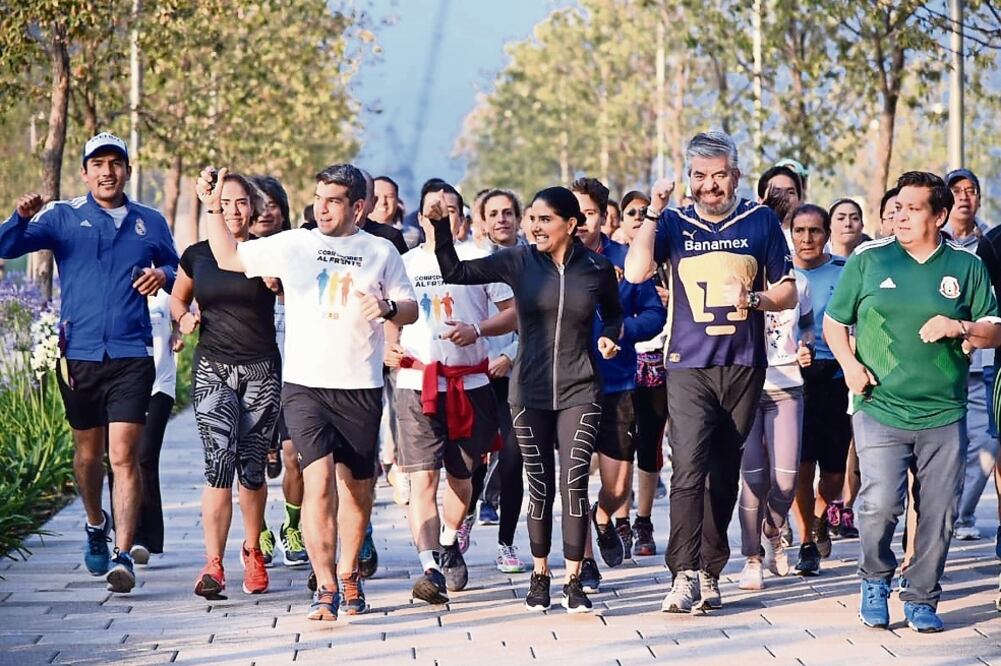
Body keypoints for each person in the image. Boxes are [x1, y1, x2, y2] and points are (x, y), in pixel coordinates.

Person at [197, 162, 417, 621]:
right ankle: (326, 586)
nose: (321, 208)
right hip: (305, 385)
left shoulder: (380, 251)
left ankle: (351, 571)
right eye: (317, 198)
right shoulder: (297, 244)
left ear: (358, 206)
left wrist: (388, 306)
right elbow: (228, 258)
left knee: (357, 491)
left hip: (358, 384)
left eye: (333, 200)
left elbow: (410, 308)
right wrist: (213, 205)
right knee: (316, 484)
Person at [624, 129, 797, 613]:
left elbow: (788, 291)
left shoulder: (760, 220)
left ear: (735, 176)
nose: (710, 185)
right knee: (688, 468)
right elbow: (636, 271)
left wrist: (758, 299)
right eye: (699, 176)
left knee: (724, 472)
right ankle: (682, 573)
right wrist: (655, 208)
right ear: (689, 179)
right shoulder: (674, 221)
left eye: (719, 175)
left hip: (743, 363)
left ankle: (709, 570)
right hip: (687, 364)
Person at [0, 132, 178, 593]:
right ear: (85, 172)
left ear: (127, 170)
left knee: (123, 456)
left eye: (115, 163)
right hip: (78, 356)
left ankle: (123, 553)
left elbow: (179, 268)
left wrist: (164, 273)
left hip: (131, 354)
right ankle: (95, 523)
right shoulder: (62, 216)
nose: (107, 171)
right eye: (97, 163)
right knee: (87, 455)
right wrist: (19, 218)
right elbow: (6, 246)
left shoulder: (149, 221)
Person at [824, 170, 1001, 633]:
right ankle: (875, 580)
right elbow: (833, 322)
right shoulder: (869, 260)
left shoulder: (967, 267)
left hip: (944, 410)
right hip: (880, 404)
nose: (900, 215)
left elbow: (995, 329)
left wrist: (959, 327)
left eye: (913, 208)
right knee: (880, 503)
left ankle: (922, 596)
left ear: (939, 215)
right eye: (897, 207)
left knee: (940, 512)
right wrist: (848, 364)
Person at [433, 186, 623, 614]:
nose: (534, 226)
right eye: (531, 218)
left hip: (580, 387)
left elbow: (612, 314)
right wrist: (441, 227)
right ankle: (540, 573)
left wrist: (610, 336)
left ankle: (575, 580)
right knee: (540, 487)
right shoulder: (518, 261)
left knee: (573, 486)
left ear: (571, 225)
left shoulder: (597, 268)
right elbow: (454, 273)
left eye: (544, 219)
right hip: (529, 390)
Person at [385, 181, 516, 604]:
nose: (441, 216)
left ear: (461, 217)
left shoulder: (481, 262)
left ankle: (447, 541)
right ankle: (429, 568)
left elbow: (513, 315)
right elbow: (390, 312)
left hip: (471, 384)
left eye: (450, 209)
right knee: (422, 478)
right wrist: (390, 343)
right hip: (415, 384)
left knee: (462, 479)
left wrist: (476, 331)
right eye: (432, 210)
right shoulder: (401, 263)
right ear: (421, 217)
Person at [171, 172, 282, 599]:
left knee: (252, 468)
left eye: (240, 202)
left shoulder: (266, 253)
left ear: (253, 209)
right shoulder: (197, 256)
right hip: (214, 369)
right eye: (225, 202)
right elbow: (178, 298)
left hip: (260, 372)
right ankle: (213, 564)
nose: (233, 210)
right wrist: (184, 318)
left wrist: (279, 284)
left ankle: (253, 550)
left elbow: (292, 294)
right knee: (218, 462)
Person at [570, 177, 666, 593]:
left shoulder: (628, 261)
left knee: (617, 486)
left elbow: (655, 315)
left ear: (603, 216)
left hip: (617, 382)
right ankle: (583, 562)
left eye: (589, 213)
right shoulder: (551, 262)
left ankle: (605, 515)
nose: (580, 222)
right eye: (573, 214)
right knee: (572, 478)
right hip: (567, 385)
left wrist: (620, 330)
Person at [737, 207, 814, 591]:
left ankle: (774, 528)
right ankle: (752, 558)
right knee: (752, 478)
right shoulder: (737, 280)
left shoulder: (798, 283)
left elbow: (809, 322)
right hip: (747, 388)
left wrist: (807, 344)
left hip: (788, 388)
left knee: (785, 481)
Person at [247, 176, 311, 570]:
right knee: (253, 461)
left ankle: (292, 526)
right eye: (261, 204)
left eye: (274, 204)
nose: (267, 211)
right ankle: (261, 531)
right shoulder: (237, 255)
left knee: (294, 457)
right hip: (252, 373)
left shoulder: (300, 252)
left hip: (294, 372)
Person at [780, 204, 848, 576]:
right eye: (800, 231)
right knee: (801, 466)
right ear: (791, 233)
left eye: (815, 231)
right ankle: (806, 541)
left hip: (837, 374)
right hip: (795, 376)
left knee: (834, 474)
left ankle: (823, 513)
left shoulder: (844, 270)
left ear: (826, 234)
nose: (808, 239)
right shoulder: (780, 274)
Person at [108, 288, 181, 565]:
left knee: (145, 457)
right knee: (120, 459)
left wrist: (179, 333)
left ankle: (148, 537)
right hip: (122, 386)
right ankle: (128, 535)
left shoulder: (165, 290)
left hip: (159, 385)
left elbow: (184, 309)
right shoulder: (120, 292)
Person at [945, 168, 999, 542]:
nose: (965, 197)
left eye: (972, 190)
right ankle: (942, 520)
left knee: (988, 443)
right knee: (947, 446)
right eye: (957, 190)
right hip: (943, 360)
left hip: (983, 363)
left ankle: (961, 513)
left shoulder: (992, 242)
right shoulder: (931, 242)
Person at [619, 189, 670, 556]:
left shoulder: (668, 257)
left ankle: (643, 519)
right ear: (619, 220)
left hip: (663, 360)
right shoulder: (614, 261)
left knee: (650, 444)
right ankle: (619, 519)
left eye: (644, 211)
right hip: (620, 361)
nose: (639, 216)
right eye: (631, 212)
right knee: (620, 444)